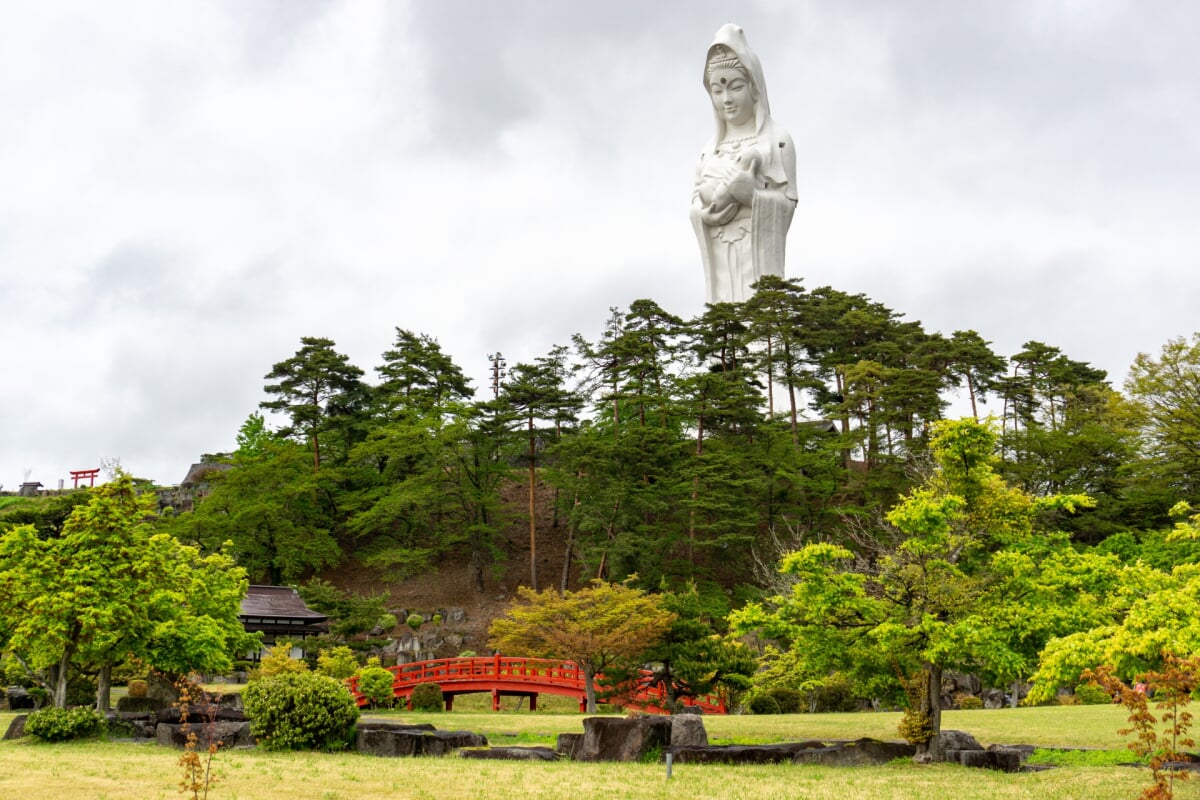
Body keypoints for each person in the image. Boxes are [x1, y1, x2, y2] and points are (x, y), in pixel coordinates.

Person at [690, 24, 797, 304]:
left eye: (735, 87)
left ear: (754, 87)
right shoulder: (708, 150)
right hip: (721, 253)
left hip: (757, 255)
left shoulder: (777, 141)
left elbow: (787, 204)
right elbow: (696, 204)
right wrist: (707, 213)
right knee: (725, 319)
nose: (726, 99)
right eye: (717, 90)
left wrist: (751, 196)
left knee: (759, 317)